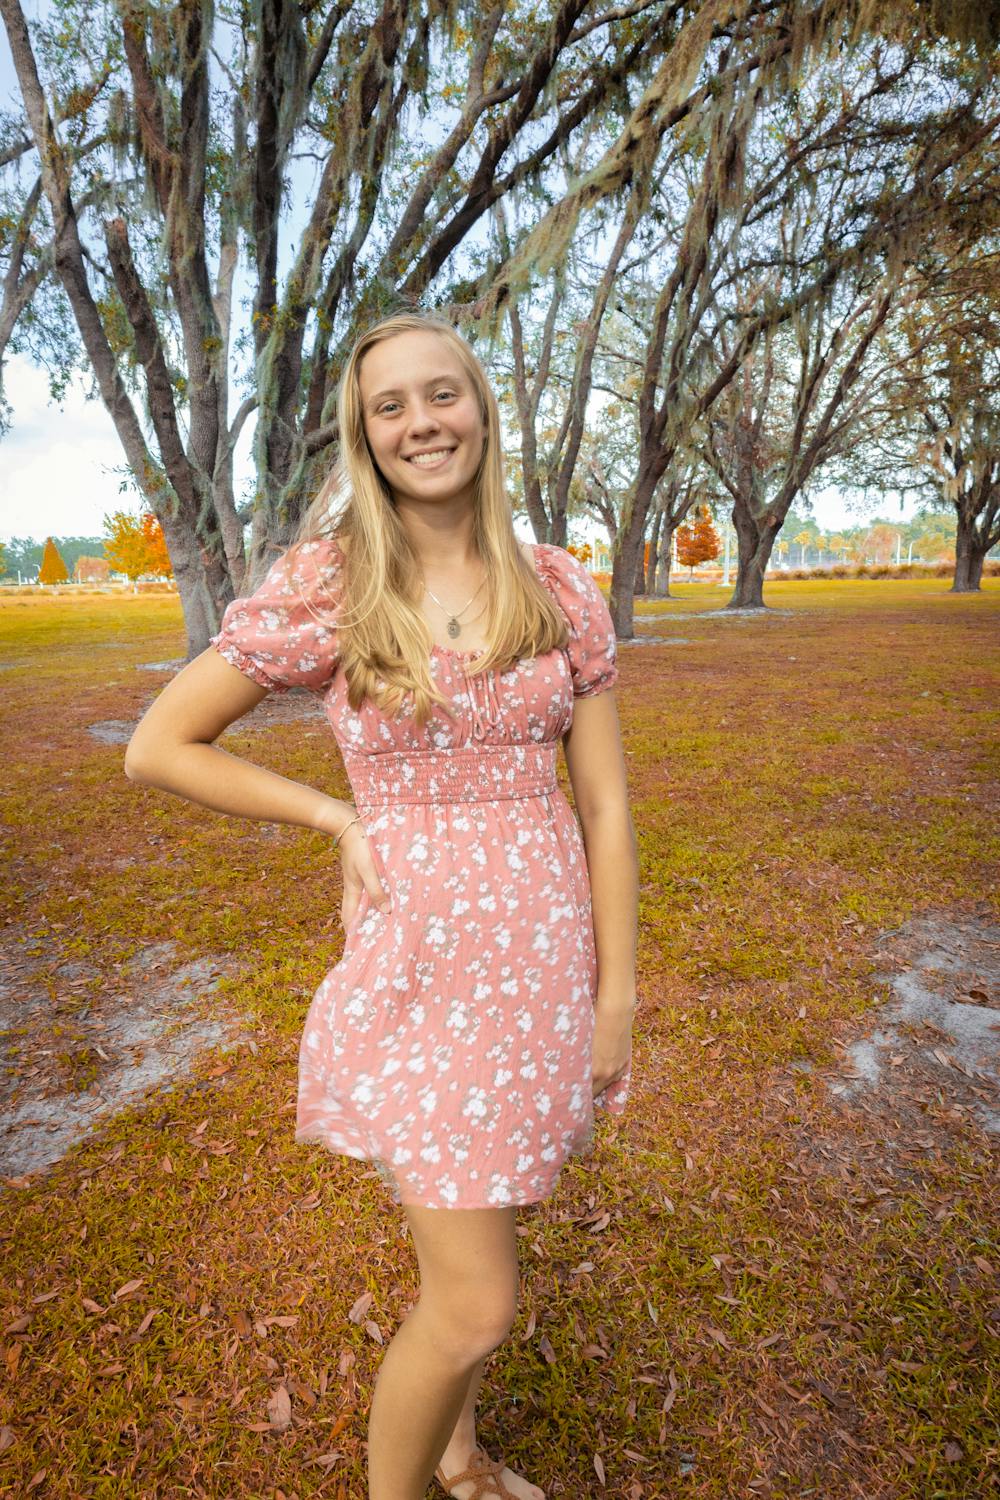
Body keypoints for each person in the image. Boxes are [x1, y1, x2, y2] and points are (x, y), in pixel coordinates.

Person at [124, 310, 638, 1500]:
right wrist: (335, 818)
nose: (421, 423)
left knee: (484, 1233)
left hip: (544, 962)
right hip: (421, 967)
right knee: (474, 1305)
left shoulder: (556, 583)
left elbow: (606, 808)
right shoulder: (331, 582)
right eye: (390, 406)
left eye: (441, 394)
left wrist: (615, 992)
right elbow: (161, 745)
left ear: (482, 408)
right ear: (365, 434)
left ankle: (456, 1457)